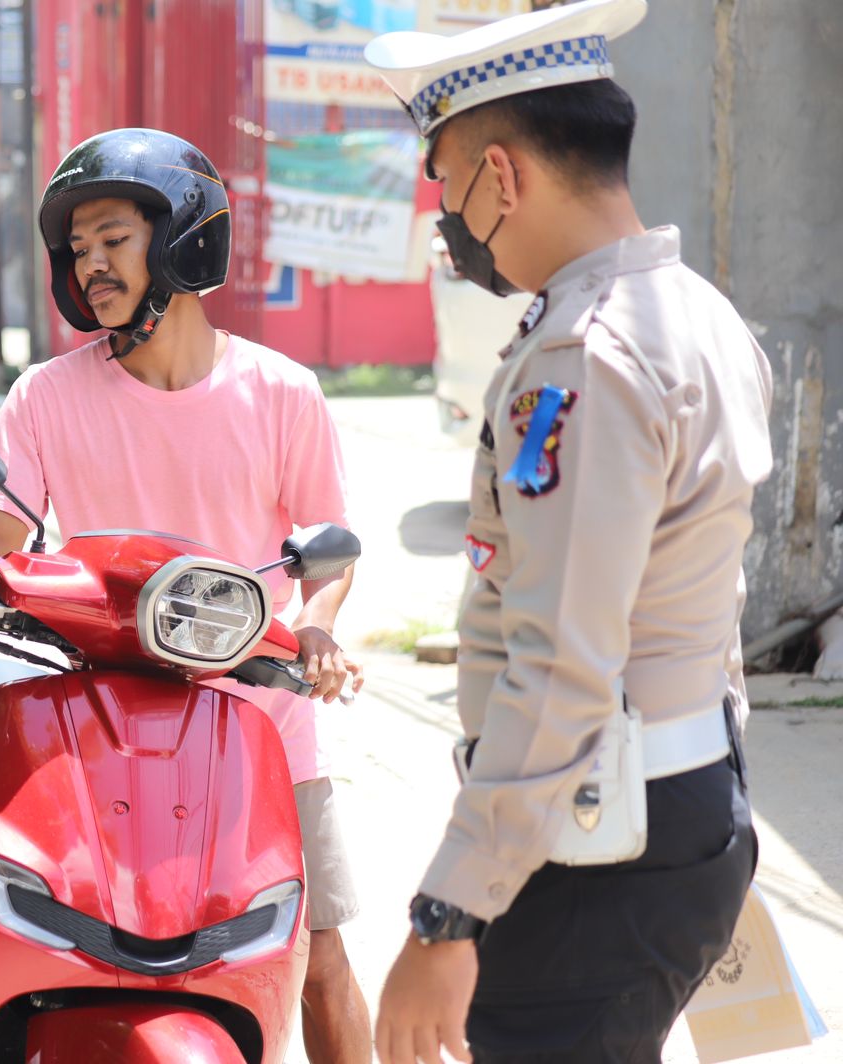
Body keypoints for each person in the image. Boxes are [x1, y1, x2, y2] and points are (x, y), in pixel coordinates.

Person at [0, 127, 373, 1063]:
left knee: (317, 958)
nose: (92, 265)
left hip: (261, 722)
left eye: (114, 239)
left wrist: (317, 628)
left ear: (183, 240)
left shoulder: (281, 392)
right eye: (78, 248)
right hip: (101, 728)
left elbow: (327, 548)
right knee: (65, 947)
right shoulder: (46, 397)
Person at [361, 1, 771, 1061]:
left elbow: (561, 666)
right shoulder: (699, 313)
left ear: (501, 176)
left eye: (447, 184)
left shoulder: (584, 354)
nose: (448, 220)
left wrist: (449, 913)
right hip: (678, 802)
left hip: (601, 845)